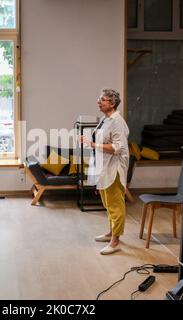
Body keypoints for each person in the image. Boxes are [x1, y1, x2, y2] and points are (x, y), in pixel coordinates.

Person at [80, 88, 129, 255]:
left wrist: (93, 145)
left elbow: (117, 147)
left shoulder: (117, 122)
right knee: (108, 204)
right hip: (103, 167)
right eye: (99, 99)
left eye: (102, 99)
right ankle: (110, 234)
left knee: (115, 205)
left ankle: (115, 242)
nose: (98, 102)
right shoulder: (105, 119)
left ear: (112, 103)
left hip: (114, 168)